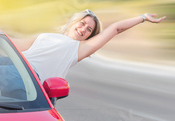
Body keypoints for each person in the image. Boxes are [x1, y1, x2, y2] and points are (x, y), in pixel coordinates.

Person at [12, 9, 166, 82]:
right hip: (11, 65)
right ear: (74, 21)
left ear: (89, 36)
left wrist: (142, 18)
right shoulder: (44, 36)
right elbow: (12, 45)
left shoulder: (79, 48)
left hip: (29, 82)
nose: (83, 29)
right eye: (82, 23)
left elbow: (115, 28)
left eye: (89, 30)